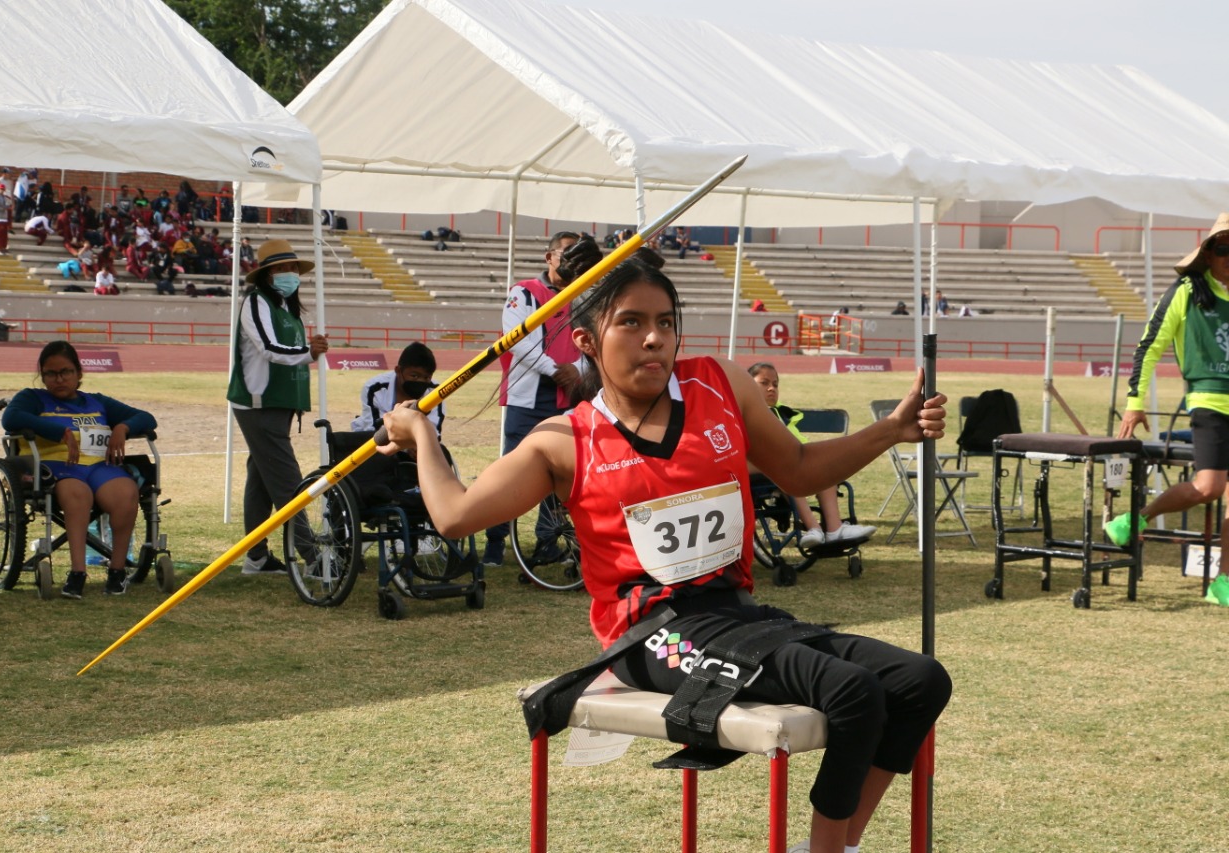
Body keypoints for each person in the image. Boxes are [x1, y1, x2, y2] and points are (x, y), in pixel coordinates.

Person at [379, 259, 951, 853]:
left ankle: (834, 846)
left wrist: (890, 430)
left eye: (666, 322)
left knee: (919, 680)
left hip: (736, 613)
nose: (654, 338)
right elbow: (454, 515)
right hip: (651, 635)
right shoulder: (564, 440)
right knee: (852, 691)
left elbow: (801, 470)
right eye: (631, 322)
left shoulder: (720, 384)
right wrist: (421, 433)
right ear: (586, 341)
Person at [1109, 212, 1229, 555]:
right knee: (1209, 488)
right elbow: (1148, 347)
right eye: (1224, 249)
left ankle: (1224, 578)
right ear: (1208, 254)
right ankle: (1136, 519)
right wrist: (1134, 404)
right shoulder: (1187, 291)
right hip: (1210, 403)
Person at [480, 231, 602, 567]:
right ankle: (494, 543)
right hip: (527, 399)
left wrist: (578, 370)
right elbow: (515, 339)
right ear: (549, 257)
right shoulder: (524, 292)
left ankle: (547, 542)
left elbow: (596, 339)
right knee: (511, 472)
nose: (573, 259)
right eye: (566, 252)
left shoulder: (586, 296)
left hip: (571, 397)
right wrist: (554, 370)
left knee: (561, 472)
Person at [1, 341, 157, 598]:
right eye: (50, 374)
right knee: (77, 494)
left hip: (99, 467)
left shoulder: (97, 402)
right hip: (57, 467)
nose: (59, 379)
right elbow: (10, 418)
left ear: (78, 373)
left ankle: (117, 571)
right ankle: (77, 572)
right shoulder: (32, 398)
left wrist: (122, 428)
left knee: (125, 493)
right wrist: (59, 431)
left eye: (66, 372)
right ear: (42, 376)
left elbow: (147, 417)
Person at [227, 238, 329, 575]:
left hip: (278, 402)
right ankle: (312, 557)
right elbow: (269, 348)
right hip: (259, 402)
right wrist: (309, 353)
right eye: (281, 268)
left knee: (261, 478)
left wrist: (307, 351)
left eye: (293, 268)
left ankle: (256, 557)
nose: (290, 273)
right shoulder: (256, 302)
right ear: (267, 274)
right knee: (287, 481)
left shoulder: (285, 306)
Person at [748, 362, 877, 546]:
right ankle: (813, 528)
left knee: (821, 464)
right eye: (764, 383)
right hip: (762, 468)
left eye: (775, 384)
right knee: (788, 468)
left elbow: (799, 445)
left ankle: (834, 529)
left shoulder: (780, 414)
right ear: (748, 385)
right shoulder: (744, 413)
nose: (771, 388)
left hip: (786, 464)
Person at [350, 342, 443, 435]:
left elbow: (434, 433)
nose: (420, 381)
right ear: (398, 371)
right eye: (414, 376)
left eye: (427, 377)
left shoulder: (436, 392)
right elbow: (373, 431)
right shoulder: (374, 389)